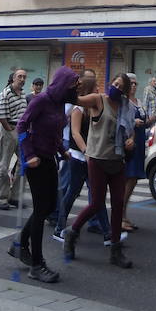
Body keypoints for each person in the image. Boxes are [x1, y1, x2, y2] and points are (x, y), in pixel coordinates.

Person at [13, 66, 80, 284]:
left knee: (49, 207)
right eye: (73, 85)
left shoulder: (60, 103)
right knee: (41, 209)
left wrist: (63, 150)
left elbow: (54, 132)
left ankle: (20, 244)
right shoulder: (41, 100)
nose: (75, 89)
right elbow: (22, 125)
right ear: (63, 85)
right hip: (35, 161)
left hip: (50, 157)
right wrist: (29, 154)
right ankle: (36, 264)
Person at [64, 73, 136, 268]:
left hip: (117, 160)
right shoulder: (98, 99)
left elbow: (131, 132)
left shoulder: (126, 107)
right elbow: (77, 100)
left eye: (121, 86)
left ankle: (115, 249)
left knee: (118, 203)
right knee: (96, 203)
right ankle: (72, 232)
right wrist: (70, 85)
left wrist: (131, 141)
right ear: (109, 83)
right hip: (97, 159)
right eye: (115, 83)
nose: (117, 88)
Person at [53, 75, 113, 243]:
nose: (98, 90)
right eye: (95, 87)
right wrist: (86, 151)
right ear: (89, 89)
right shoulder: (77, 110)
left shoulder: (93, 107)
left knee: (96, 195)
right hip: (78, 158)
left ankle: (108, 233)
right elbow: (75, 133)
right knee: (73, 192)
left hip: (91, 158)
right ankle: (59, 229)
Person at [123, 73, 152, 232]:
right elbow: (118, 119)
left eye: (135, 83)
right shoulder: (123, 102)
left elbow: (144, 121)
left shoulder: (138, 102)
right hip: (129, 143)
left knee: (133, 180)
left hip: (139, 143)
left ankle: (123, 215)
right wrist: (133, 122)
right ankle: (120, 216)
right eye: (131, 83)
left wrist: (149, 121)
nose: (133, 86)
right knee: (127, 179)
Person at [0, 67, 27, 210]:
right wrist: (9, 129)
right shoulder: (5, 94)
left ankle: (15, 196)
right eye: (19, 76)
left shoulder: (23, 94)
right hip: (10, 129)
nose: (22, 79)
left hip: (22, 130)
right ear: (13, 78)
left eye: (24, 77)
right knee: (4, 165)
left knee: (23, 163)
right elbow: (0, 115)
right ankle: (2, 199)